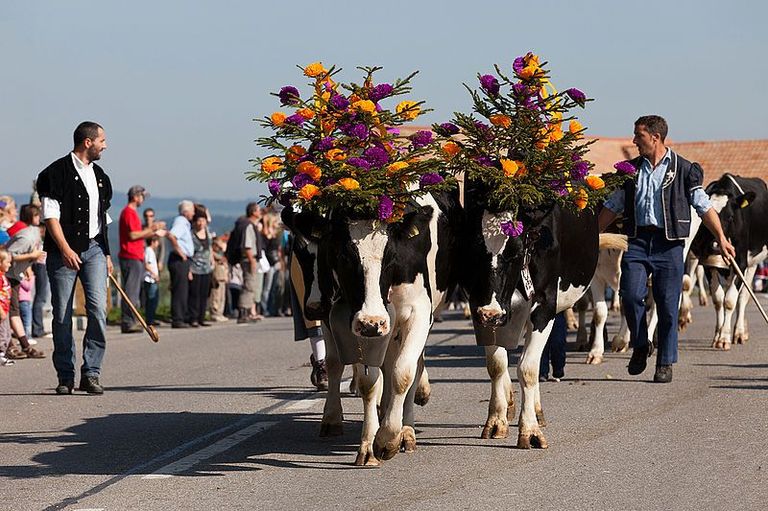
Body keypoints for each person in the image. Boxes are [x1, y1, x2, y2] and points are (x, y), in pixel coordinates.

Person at [598, 115, 736, 383]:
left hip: (669, 244)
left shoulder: (684, 169)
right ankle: (640, 344)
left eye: (638, 135)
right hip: (637, 241)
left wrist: (722, 236)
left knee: (668, 306)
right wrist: (593, 234)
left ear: (655, 137)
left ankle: (665, 362)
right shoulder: (630, 169)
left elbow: (703, 206)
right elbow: (613, 205)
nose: (634, 140)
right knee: (629, 294)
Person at [36, 121, 114, 394]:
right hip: (62, 252)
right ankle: (65, 376)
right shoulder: (54, 174)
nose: (106, 145)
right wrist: (66, 249)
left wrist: (105, 253)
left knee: (98, 310)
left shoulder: (101, 177)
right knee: (61, 315)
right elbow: (50, 217)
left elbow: (102, 220)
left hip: (94, 248)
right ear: (88, 142)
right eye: (102, 140)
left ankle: (91, 372)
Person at [118, 185, 166, 333]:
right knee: (131, 291)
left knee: (134, 290)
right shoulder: (129, 213)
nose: (143, 200)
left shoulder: (131, 213)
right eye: (142, 196)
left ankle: (131, 320)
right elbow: (133, 235)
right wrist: (152, 229)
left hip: (135, 256)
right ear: (136, 196)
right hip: (130, 255)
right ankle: (128, 321)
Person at [4, 204, 46, 360]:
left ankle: (21, 344)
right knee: (10, 311)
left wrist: (28, 263)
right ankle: (15, 345)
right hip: (8, 275)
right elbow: (8, 255)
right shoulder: (28, 236)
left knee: (13, 311)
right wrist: (32, 256)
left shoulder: (34, 236)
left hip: (14, 274)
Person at [166, 200, 195, 328]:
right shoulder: (181, 222)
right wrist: (180, 252)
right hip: (179, 259)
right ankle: (178, 318)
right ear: (186, 212)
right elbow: (172, 235)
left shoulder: (185, 224)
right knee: (180, 290)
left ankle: (181, 316)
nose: (194, 214)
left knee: (183, 289)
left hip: (183, 259)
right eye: (192, 211)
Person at [187, 209, 213, 327]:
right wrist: (189, 270)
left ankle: (202, 317)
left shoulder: (207, 232)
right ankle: (193, 317)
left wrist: (212, 260)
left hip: (206, 268)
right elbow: (188, 253)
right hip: (195, 267)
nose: (201, 223)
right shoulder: (191, 234)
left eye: (203, 220)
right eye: (199, 220)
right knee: (194, 294)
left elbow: (210, 248)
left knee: (204, 294)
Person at [539, 312, 566, 382]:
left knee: (558, 340)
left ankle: (558, 369)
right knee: (541, 342)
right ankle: (542, 372)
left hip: (558, 309)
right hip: (540, 309)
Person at [1, 247, 16, 366]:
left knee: (6, 333)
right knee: (2, 333)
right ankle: (1, 354)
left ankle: (4, 353)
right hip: (1, 310)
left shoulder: (4, 276)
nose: (10, 265)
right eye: (8, 262)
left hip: (5, 309)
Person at [209, 235, 229, 321]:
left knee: (222, 296)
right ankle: (215, 312)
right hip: (216, 276)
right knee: (215, 296)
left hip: (223, 277)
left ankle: (220, 312)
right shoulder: (212, 254)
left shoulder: (222, 254)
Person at [143, 236, 161, 327]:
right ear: (153, 242)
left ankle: (151, 318)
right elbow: (147, 265)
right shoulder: (149, 251)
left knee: (153, 300)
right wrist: (155, 275)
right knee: (151, 300)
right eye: (157, 241)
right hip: (150, 279)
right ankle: (150, 320)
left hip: (151, 279)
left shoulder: (150, 251)